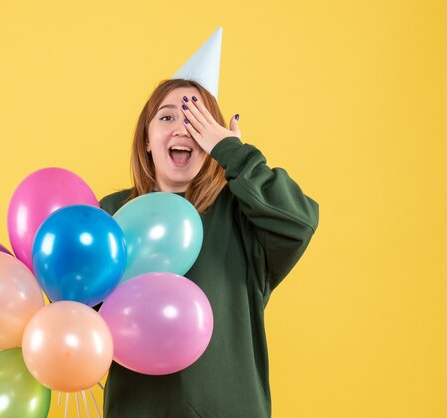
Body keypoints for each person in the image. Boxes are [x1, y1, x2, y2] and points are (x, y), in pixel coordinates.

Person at [98, 78, 319, 417]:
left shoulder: (244, 212)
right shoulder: (114, 214)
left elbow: (299, 221)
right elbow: (85, 311)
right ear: (146, 138)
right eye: (168, 117)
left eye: (196, 120)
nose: (182, 130)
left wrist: (233, 153)